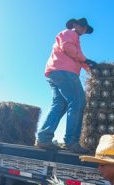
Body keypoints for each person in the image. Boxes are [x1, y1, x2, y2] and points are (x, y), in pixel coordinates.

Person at [35, 18, 97, 154]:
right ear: (75, 25)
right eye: (82, 26)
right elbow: (69, 49)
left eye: (85, 28)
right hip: (65, 72)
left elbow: (78, 58)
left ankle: (44, 138)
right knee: (78, 102)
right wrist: (86, 60)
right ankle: (72, 141)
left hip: (55, 72)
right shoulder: (69, 33)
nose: (84, 29)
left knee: (60, 104)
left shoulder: (74, 40)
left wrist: (90, 68)